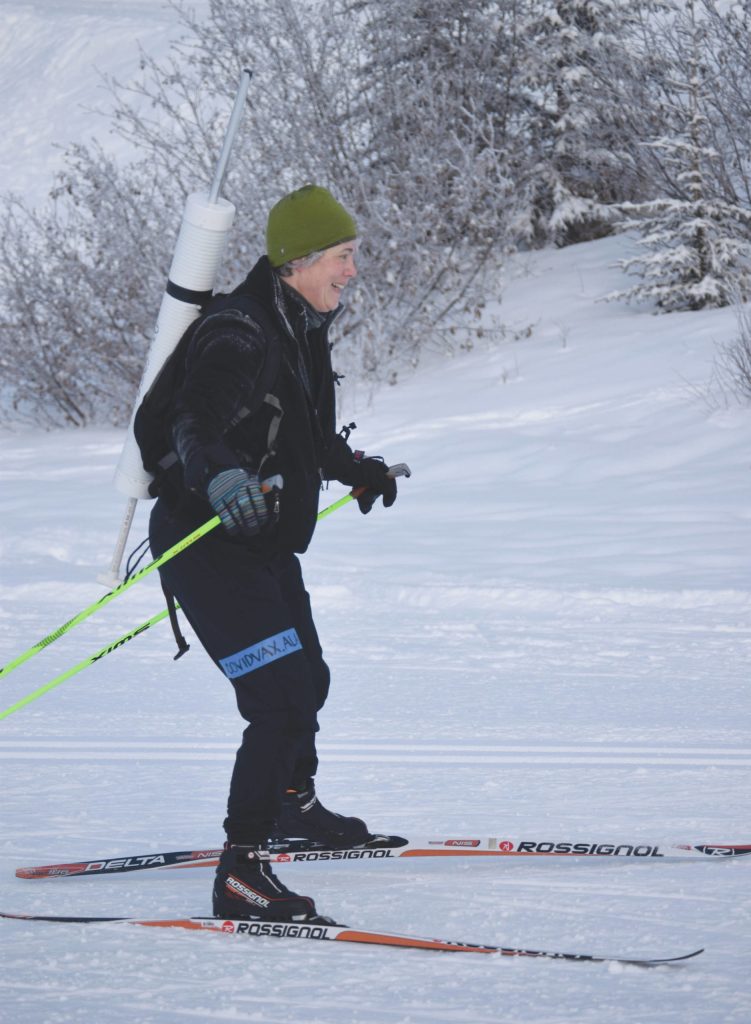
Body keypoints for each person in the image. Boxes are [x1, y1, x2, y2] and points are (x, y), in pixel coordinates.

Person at [147, 184, 403, 923]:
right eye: (343, 257)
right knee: (279, 697)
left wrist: (358, 468)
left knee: (308, 679)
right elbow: (196, 421)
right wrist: (222, 473)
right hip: (207, 538)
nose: (352, 270)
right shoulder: (240, 330)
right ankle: (243, 870)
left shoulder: (299, 326)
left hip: (258, 538)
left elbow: (300, 434)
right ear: (297, 261)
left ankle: (294, 807)